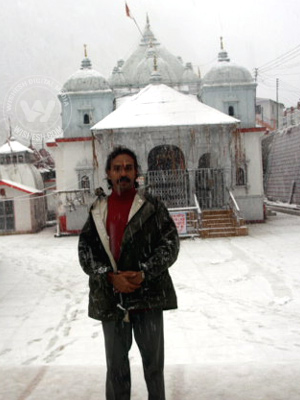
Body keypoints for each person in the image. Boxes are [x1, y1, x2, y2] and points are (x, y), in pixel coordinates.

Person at [78, 146, 179, 400]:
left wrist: (144, 273)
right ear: (109, 174)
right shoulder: (98, 210)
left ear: (136, 173)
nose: (123, 173)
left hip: (148, 298)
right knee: (116, 369)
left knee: (154, 368)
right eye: (117, 168)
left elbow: (170, 245)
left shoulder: (152, 207)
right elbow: (86, 253)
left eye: (128, 168)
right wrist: (110, 277)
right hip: (112, 302)